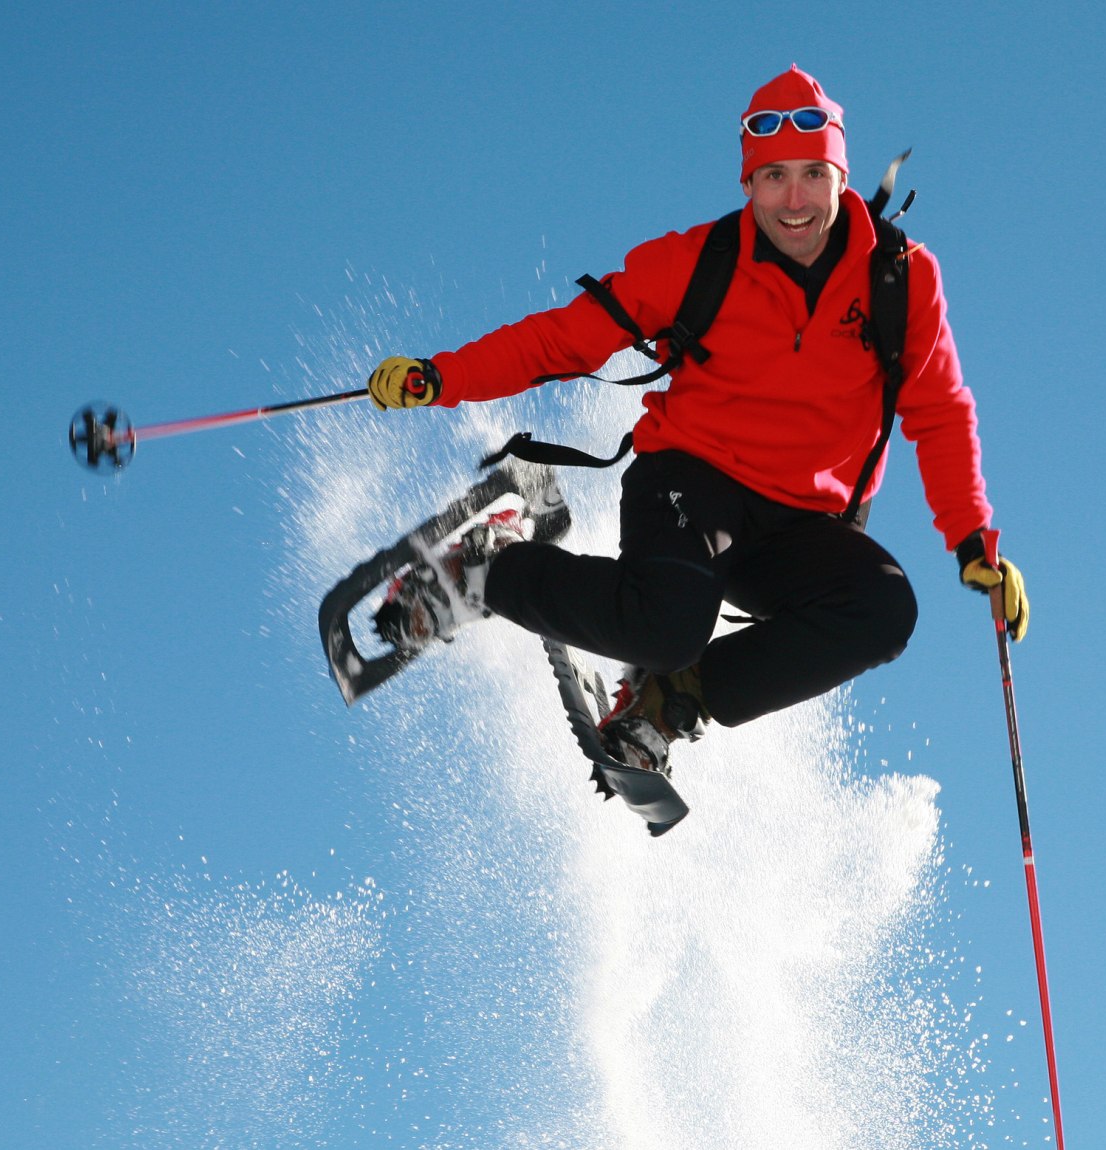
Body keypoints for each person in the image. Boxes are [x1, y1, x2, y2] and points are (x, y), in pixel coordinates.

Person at [363, 65, 1028, 777]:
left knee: (883, 608)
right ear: (748, 184)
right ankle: (482, 570)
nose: (795, 200)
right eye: (773, 177)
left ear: (841, 176)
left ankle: (671, 699)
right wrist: (444, 377)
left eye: (812, 174)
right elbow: (566, 337)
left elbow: (940, 410)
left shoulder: (901, 279)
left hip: (801, 525)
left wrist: (971, 539)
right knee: (665, 626)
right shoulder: (698, 263)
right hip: (691, 479)